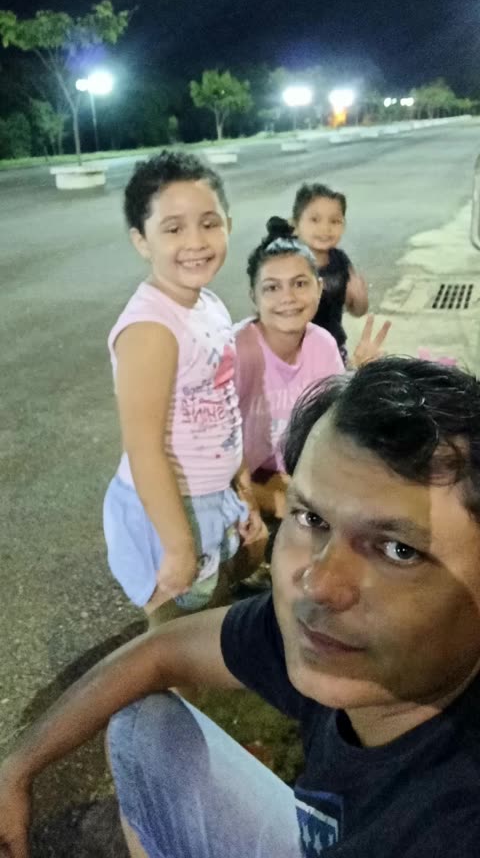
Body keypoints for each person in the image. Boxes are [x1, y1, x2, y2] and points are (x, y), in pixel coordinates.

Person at [3, 357, 480, 857]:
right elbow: (161, 651)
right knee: (142, 726)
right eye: (311, 518)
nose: (318, 584)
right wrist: (16, 769)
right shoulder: (342, 641)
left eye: (399, 550)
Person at [102, 152, 265, 626]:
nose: (195, 241)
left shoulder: (207, 305)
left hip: (211, 497)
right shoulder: (150, 329)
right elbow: (143, 448)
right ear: (142, 240)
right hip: (168, 509)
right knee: (175, 631)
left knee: (213, 607)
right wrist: (176, 546)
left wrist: (241, 488)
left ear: (228, 224)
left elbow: (222, 406)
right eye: (173, 229)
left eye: (209, 223)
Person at [234, 216, 389, 519]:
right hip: (243, 480)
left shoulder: (322, 343)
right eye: (272, 287)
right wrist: (254, 498)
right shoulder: (237, 350)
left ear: (319, 288)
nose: (288, 298)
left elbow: (332, 421)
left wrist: (358, 375)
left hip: (298, 471)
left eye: (300, 284)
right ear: (254, 297)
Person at [292, 182, 368, 363]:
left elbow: (357, 310)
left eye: (334, 221)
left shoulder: (340, 260)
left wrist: (359, 299)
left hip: (333, 348)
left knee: (336, 382)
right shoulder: (287, 263)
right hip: (295, 352)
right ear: (296, 223)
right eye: (315, 220)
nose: (325, 229)